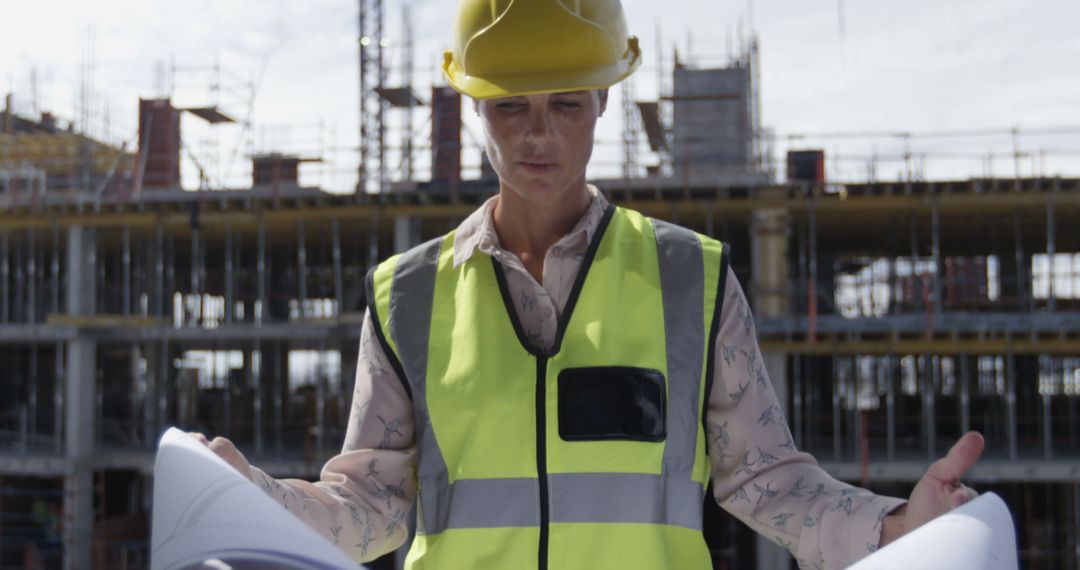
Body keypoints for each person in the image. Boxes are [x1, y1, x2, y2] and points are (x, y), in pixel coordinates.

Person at [194, 0, 985, 568]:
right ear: (477, 108)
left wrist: (896, 528)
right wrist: (261, 500)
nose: (538, 134)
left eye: (565, 104)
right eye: (512, 108)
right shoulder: (409, 296)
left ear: (605, 99)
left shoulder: (690, 279)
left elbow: (767, 482)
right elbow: (370, 508)